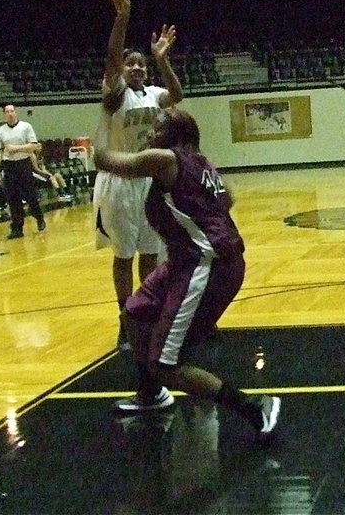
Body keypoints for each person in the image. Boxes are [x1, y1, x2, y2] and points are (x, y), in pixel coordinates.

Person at [94, 107, 281, 436]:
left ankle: (255, 408)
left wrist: (106, 115)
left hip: (206, 265)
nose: (150, 134)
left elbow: (105, 161)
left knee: (166, 365)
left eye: (157, 128)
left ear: (174, 136)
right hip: (189, 260)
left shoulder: (166, 159)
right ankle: (150, 394)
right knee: (135, 313)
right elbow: (228, 200)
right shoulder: (203, 163)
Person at [93, 0, 183, 350]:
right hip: (117, 182)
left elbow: (176, 94)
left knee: (149, 253)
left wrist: (162, 60)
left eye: (141, 64)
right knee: (122, 256)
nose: (136, 68)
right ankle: (123, 320)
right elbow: (113, 57)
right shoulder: (116, 96)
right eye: (131, 64)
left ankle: (142, 313)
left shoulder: (153, 93)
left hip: (149, 182)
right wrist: (122, 18)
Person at [0, 104, 46, 239]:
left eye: (12, 111)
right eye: (7, 112)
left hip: (23, 164)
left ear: (15, 113)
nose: (10, 113)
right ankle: (17, 227)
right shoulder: (0, 130)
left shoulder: (25, 126)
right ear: (4, 114)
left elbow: (33, 145)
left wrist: (16, 149)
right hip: (9, 166)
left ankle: (39, 217)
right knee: (12, 197)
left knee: (30, 195)